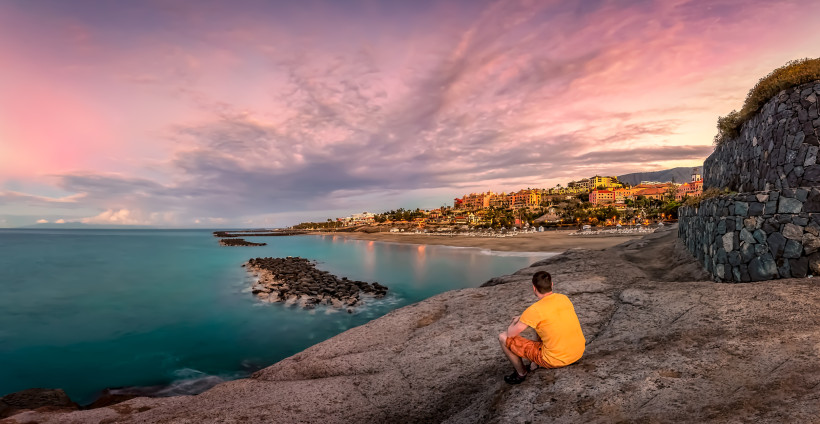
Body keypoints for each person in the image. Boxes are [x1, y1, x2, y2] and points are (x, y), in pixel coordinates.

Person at [497, 270, 585, 384]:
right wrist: (523, 317)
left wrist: (515, 321)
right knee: (543, 325)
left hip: (555, 359)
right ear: (551, 285)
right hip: (577, 353)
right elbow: (548, 316)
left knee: (502, 337)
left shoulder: (535, 310)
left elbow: (510, 334)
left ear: (534, 288)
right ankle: (535, 364)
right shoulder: (564, 298)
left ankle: (521, 373)